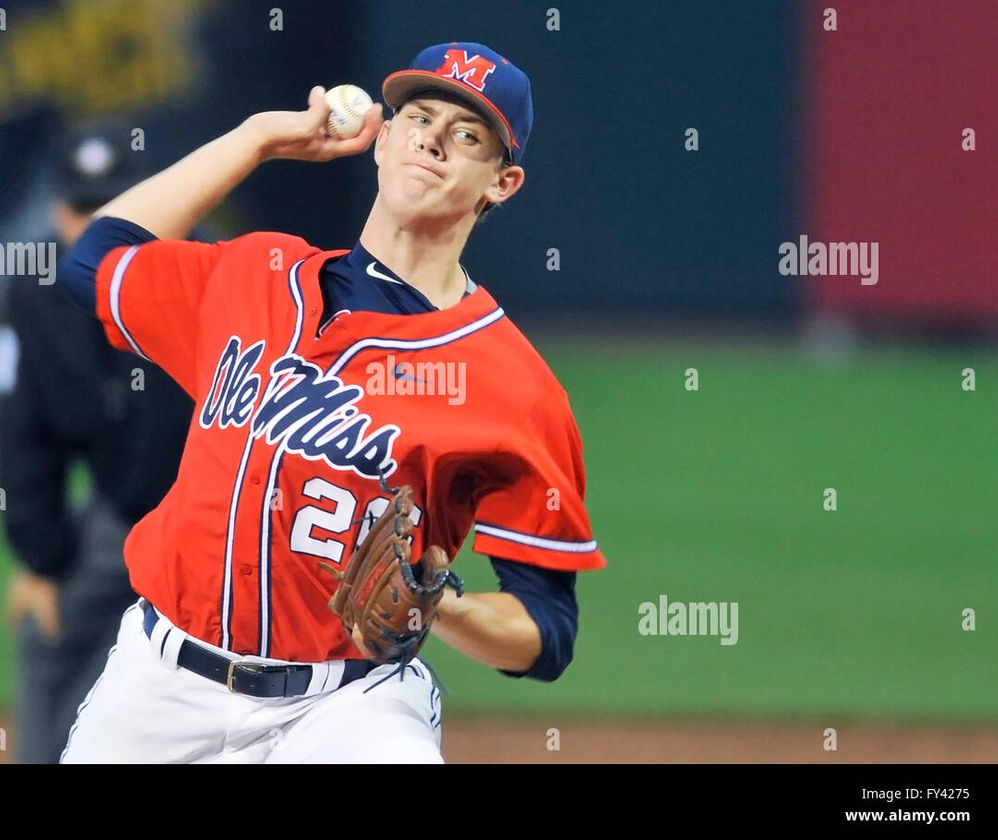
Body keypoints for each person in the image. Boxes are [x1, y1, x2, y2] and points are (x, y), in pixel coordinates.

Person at [55, 42, 605, 764]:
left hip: (347, 705)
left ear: (501, 183)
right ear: (381, 139)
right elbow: (96, 259)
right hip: (158, 685)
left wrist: (443, 607)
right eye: (419, 116)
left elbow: (547, 628)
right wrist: (255, 140)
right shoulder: (252, 273)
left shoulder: (515, 386)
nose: (434, 138)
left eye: (468, 135)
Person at [0, 123, 193, 763]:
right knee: (49, 632)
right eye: (82, 207)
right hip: (117, 521)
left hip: (214, 529)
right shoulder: (36, 293)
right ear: (57, 209)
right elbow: (23, 432)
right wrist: (40, 556)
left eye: (114, 207)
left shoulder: (204, 275)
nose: (93, 224)